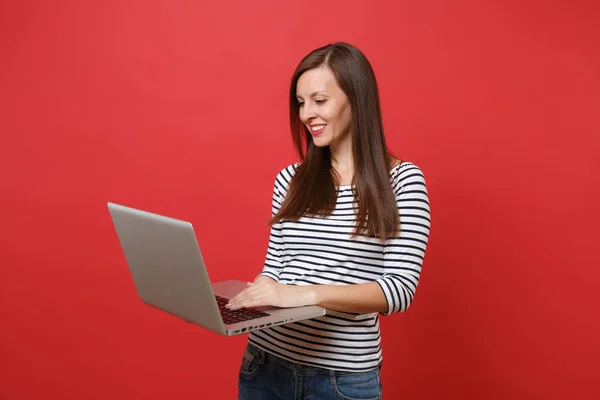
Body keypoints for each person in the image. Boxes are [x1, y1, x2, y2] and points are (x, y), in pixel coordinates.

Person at [227, 42, 431, 400]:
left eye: (319, 101)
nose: (307, 114)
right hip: (263, 365)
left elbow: (398, 291)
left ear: (356, 99)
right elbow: (276, 266)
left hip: (340, 381)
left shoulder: (402, 181)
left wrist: (300, 295)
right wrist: (256, 294)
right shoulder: (290, 178)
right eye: (301, 103)